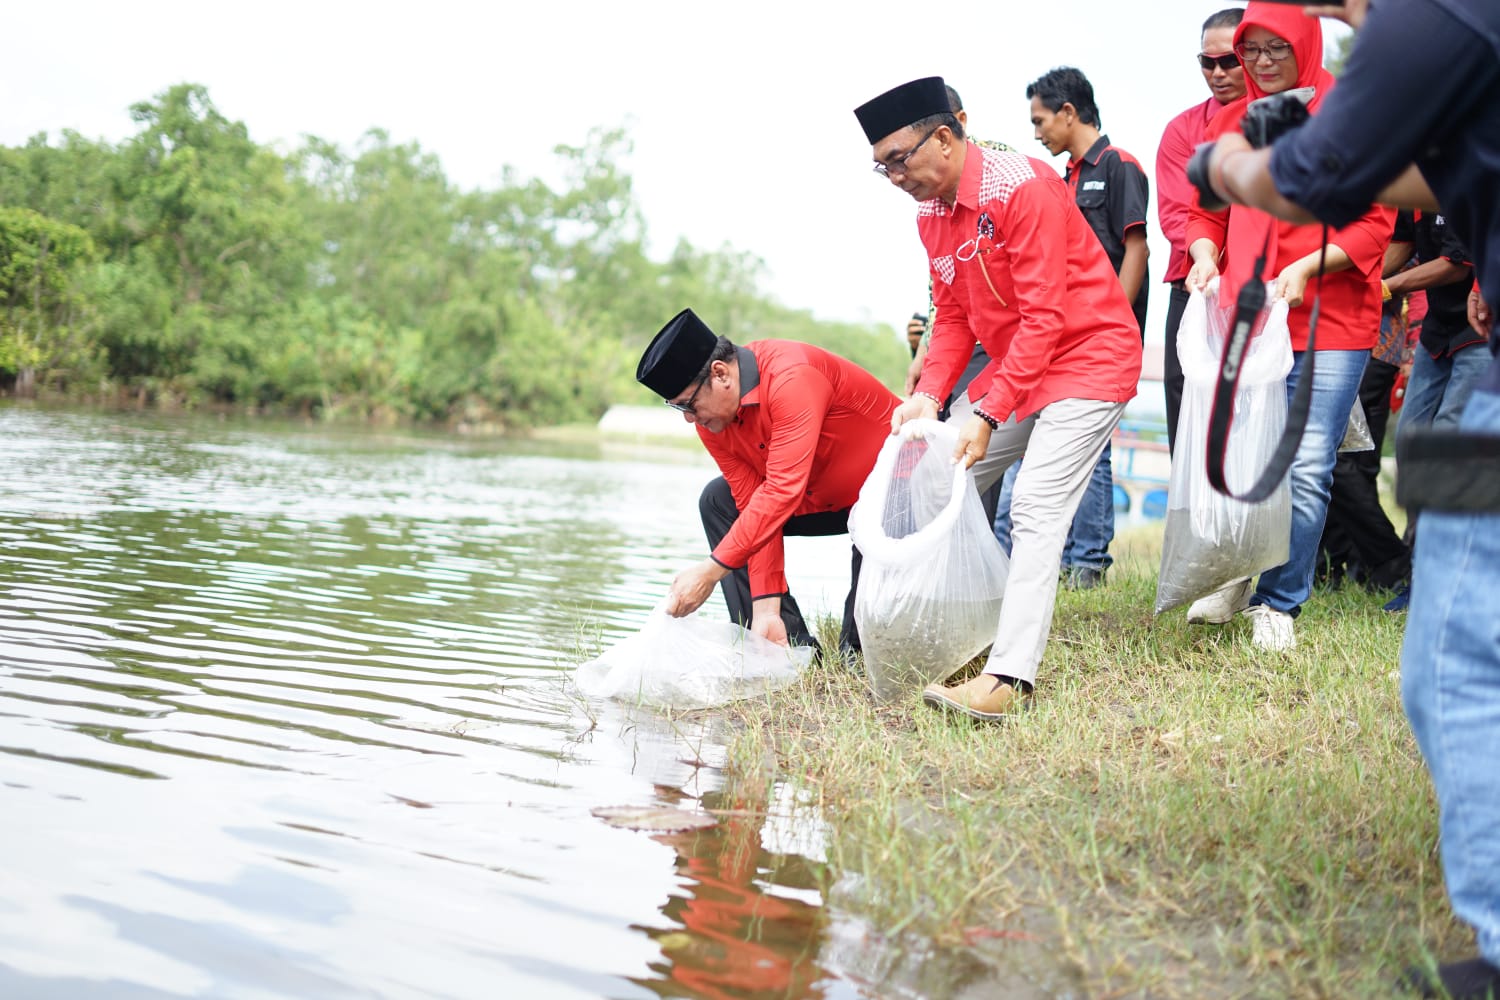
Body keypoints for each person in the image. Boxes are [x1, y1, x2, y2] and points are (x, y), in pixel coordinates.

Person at [1190, 1, 1500, 993]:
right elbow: (1435, 175)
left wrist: (1229, 158)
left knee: (1453, 654)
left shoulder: (1426, 17)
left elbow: (1319, 178)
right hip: (1475, 356)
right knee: (1426, 485)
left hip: (1447, 363)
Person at [854, 76, 1141, 720]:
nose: (895, 178)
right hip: (1022, 366)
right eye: (882, 168)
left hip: (1089, 356)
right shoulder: (930, 215)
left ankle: (1009, 678)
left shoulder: (1021, 187)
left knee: (1034, 506)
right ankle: (949, 630)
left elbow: (1045, 316)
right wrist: (931, 396)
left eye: (900, 160)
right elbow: (954, 316)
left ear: (945, 137)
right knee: (932, 473)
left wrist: (986, 412)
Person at [1182, 2, 1394, 653]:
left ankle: (1279, 601)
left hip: (1332, 317)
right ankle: (1238, 571)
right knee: (1245, 454)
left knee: (1305, 462)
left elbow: (1375, 224)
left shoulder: (1355, 112)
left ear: (1306, 42)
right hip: (1251, 315)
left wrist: (1304, 267)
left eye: (1277, 48)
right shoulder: (1231, 119)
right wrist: (1203, 257)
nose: (1262, 61)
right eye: (1252, 49)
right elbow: (1206, 213)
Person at [638, 308, 900, 657]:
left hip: (891, 494)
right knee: (718, 501)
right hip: (816, 500)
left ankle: (857, 647)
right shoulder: (712, 423)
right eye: (678, 408)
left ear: (720, 374)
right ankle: (784, 648)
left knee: (860, 654)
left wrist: (709, 572)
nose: (689, 419)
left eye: (689, 404)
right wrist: (765, 607)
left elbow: (781, 491)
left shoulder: (791, 376)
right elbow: (753, 504)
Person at [995, 66, 1150, 590]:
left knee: (1095, 453)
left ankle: (1089, 564)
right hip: (1061, 337)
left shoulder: (1119, 165)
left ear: (1068, 112)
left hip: (1102, 339)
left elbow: (1137, 248)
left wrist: (1115, 320)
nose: (1036, 132)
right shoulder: (1061, 179)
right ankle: (1058, 560)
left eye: (1039, 120)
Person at [1156, 7, 1247, 455]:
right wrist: (1209, 261)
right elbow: (1179, 216)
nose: (1217, 72)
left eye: (1229, 61)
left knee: (1250, 415)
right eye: (1207, 63)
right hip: (1195, 286)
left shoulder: (1292, 121)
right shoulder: (1183, 130)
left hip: (1264, 290)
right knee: (1186, 412)